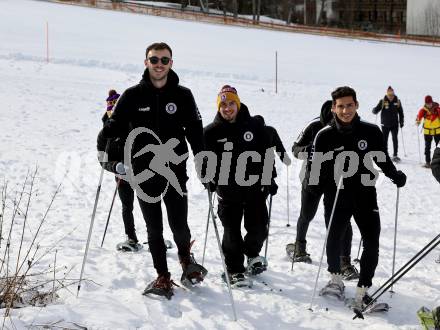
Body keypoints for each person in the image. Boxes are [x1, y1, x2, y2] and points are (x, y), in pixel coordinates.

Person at [102, 42, 207, 299]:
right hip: (143, 172)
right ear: (146, 61)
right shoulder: (132, 95)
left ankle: (185, 258)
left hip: (174, 170)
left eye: (164, 60)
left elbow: (195, 132)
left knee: (179, 223)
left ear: (171, 63)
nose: (159, 64)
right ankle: (162, 276)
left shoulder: (183, 95)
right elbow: (114, 126)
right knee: (154, 227)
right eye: (154, 59)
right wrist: (108, 127)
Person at [310, 86, 406, 309]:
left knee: (372, 242)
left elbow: (383, 160)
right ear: (334, 108)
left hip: (365, 195)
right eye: (341, 106)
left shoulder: (371, 131)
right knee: (334, 238)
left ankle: (363, 291)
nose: (346, 110)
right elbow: (315, 170)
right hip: (336, 197)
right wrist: (318, 185)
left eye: (349, 105)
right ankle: (335, 279)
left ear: (357, 105)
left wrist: (395, 176)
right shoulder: (324, 135)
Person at [203, 85, 278, 287]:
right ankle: (234, 269)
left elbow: (266, 154)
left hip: (255, 190)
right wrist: (207, 178)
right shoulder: (211, 132)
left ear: (238, 103)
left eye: (231, 104)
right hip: (228, 192)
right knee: (231, 233)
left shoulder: (254, 126)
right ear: (219, 107)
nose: (227, 108)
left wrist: (270, 178)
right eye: (223, 105)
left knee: (259, 229)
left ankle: (252, 255)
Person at [286, 100, 359, 280]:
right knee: (307, 214)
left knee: (340, 220)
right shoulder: (314, 125)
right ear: (333, 109)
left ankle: (344, 262)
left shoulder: (353, 126)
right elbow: (295, 149)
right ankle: (299, 246)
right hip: (313, 178)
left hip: (339, 180)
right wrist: (308, 151)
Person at [97, 89, 142, 252]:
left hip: (140, 172)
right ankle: (131, 238)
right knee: (127, 206)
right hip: (122, 175)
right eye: (110, 108)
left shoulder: (131, 124)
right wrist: (116, 166)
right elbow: (102, 159)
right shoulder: (104, 135)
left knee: (151, 204)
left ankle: (156, 237)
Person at [372, 86, 404, 162]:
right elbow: (376, 110)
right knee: (384, 140)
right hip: (385, 125)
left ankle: (395, 155)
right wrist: (374, 110)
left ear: (393, 94)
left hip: (394, 124)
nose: (391, 97)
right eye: (389, 95)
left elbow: (401, 113)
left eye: (392, 95)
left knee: (395, 139)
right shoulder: (383, 101)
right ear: (387, 94)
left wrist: (401, 121)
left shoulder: (397, 101)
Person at [416, 95, 440, 168]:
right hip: (427, 132)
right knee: (427, 148)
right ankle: (428, 162)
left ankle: (438, 163)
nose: (429, 105)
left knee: (438, 148)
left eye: (430, 103)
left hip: (437, 131)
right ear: (425, 103)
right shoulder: (423, 110)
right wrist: (417, 121)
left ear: (432, 102)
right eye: (427, 103)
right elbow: (418, 118)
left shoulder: (437, 109)